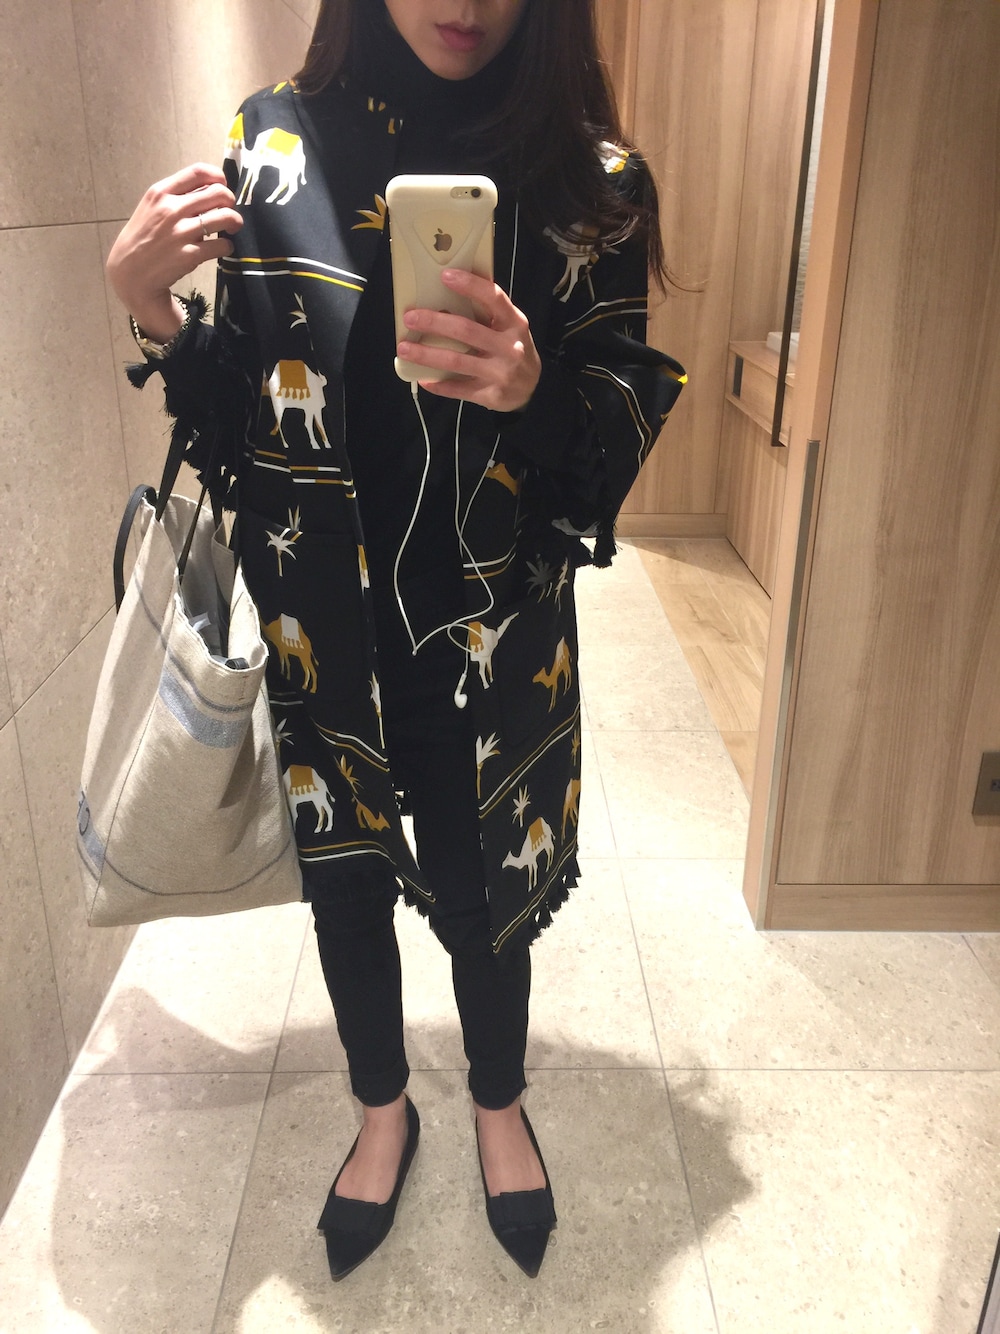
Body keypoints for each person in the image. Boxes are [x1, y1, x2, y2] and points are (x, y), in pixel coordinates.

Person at [107, 0, 684, 1282]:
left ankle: (494, 1097)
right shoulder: (275, 146)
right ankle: (382, 1108)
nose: (464, 5)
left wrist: (533, 389)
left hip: (492, 634)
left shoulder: (591, 184)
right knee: (347, 882)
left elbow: (602, 461)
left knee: (485, 901)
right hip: (327, 623)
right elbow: (245, 426)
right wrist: (155, 311)